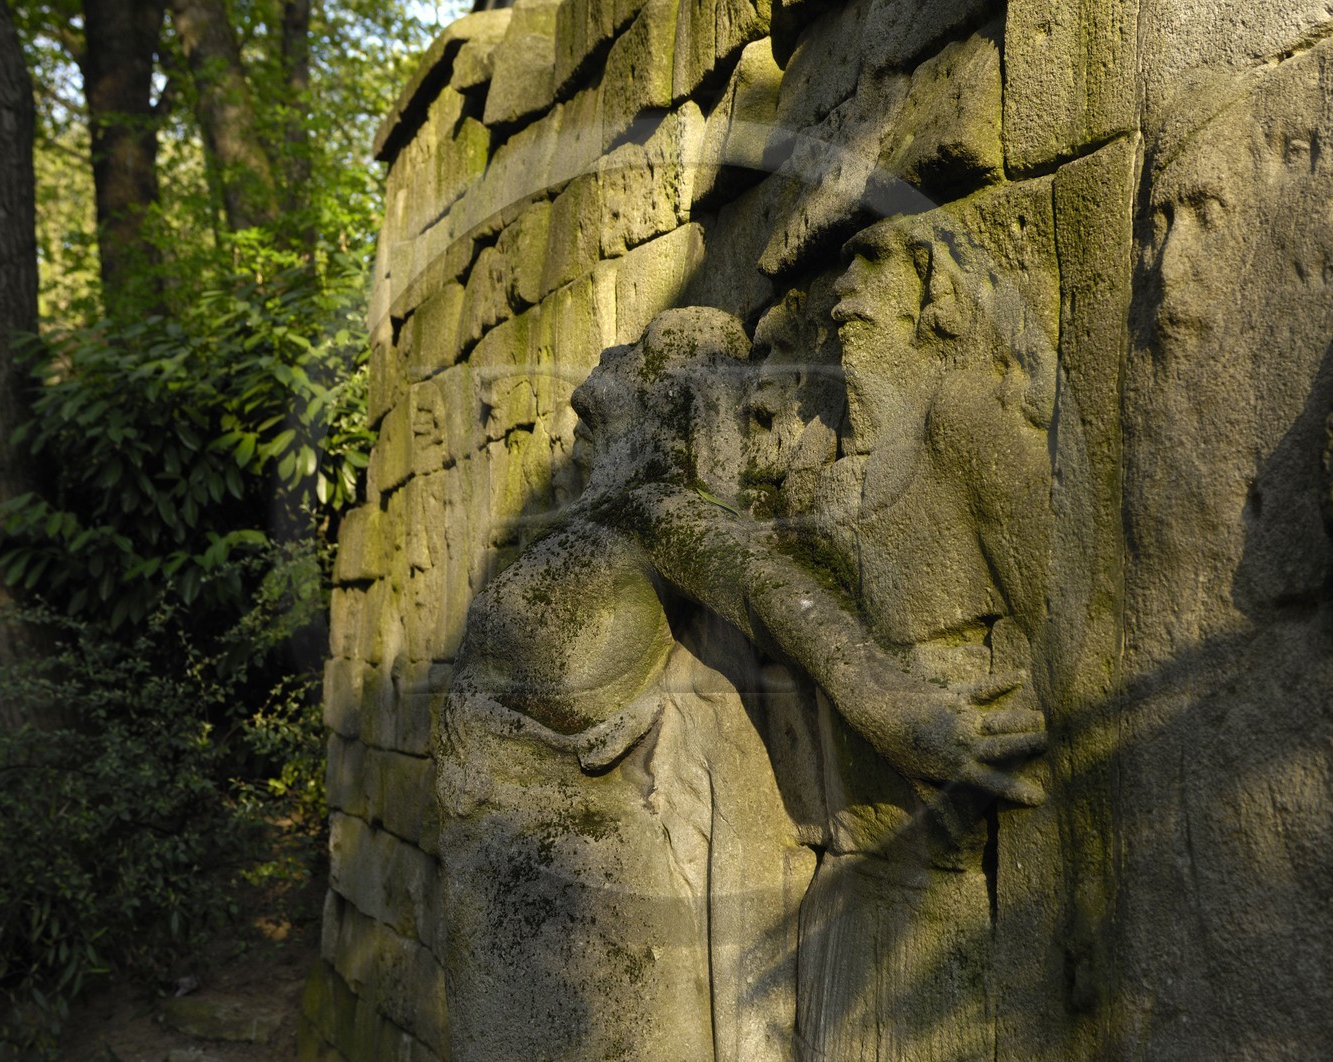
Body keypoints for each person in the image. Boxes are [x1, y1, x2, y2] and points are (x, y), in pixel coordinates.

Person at [438, 305, 1045, 1060]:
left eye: (628, 361)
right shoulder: (585, 525)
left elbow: (766, 591)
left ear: (666, 403)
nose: (596, 375)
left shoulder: (654, 511)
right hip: (497, 859)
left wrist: (894, 707)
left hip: (578, 877)